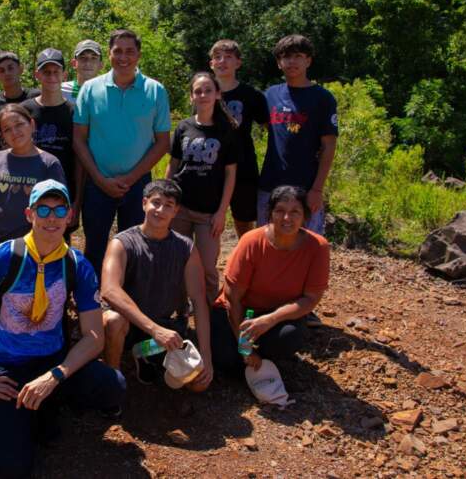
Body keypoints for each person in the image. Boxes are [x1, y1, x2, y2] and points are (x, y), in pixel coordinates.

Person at [0, 180, 125, 479]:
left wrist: (55, 376)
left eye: (59, 209)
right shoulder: (1, 257)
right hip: (8, 366)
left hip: (52, 361)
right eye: (44, 209)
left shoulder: (77, 264)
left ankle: (48, 403)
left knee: (112, 384)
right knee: (14, 467)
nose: (52, 217)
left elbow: (93, 336)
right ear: (29, 214)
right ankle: (24, 414)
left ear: (69, 217)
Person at [73, 29, 171, 275]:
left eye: (130, 51)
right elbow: (79, 139)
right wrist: (98, 179)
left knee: (135, 245)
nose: (123, 57)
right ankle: (92, 300)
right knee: (94, 246)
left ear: (138, 55)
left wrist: (130, 178)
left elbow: (162, 143)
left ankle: (127, 299)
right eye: (118, 51)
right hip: (97, 184)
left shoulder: (155, 90)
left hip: (138, 184)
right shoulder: (90, 89)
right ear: (109, 54)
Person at [101, 179, 212, 391]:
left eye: (168, 205)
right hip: (131, 324)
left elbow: (198, 300)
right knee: (113, 321)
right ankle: (112, 381)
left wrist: (207, 358)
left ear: (176, 211)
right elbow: (109, 290)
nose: (160, 210)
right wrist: (154, 330)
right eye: (156, 202)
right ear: (144, 203)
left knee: (198, 385)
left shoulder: (186, 248)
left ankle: (144, 355)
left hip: (168, 327)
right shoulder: (122, 242)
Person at [211, 186, 330, 374]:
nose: (286, 218)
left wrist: (270, 320)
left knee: (289, 337)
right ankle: (251, 360)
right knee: (224, 360)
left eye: (295, 212)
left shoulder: (318, 247)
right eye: (280, 211)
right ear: (270, 213)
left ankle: (261, 361)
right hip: (239, 312)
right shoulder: (252, 241)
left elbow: (310, 299)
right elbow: (232, 297)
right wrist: (244, 346)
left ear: (305, 216)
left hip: (276, 315)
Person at [166, 73, 238, 306]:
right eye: (198, 91)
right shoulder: (184, 127)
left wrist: (221, 212)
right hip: (181, 208)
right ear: (191, 97)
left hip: (209, 213)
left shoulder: (226, 130)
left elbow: (230, 174)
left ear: (217, 94)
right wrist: (166, 199)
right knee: (177, 261)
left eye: (208, 90)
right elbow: (173, 165)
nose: (203, 95)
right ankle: (177, 311)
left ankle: (209, 312)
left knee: (208, 266)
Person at [259, 35, 338, 235]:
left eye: (298, 56)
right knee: (268, 246)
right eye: (286, 57)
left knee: (306, 247)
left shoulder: (323, 98)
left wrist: (317, 189)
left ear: (308, 60)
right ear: (279, 63)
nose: (292, 61)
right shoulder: (270, 95)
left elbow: (329, 145)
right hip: (270, 184)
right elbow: (273, 130)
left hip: (306, 187)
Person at [0, 104, 67, 250]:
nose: (14, 132)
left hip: (33, 248)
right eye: (7, 129)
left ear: (32, 125)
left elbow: (58, 208)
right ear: (2, 135)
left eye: (19, 124)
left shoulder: (49, 163)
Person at [209, 39, 270, 238]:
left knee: (243, 217)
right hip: (210, 164)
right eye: (217, 57)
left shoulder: (252, 95)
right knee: (208, 217)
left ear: (238, 63)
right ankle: (209, 264)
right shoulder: (204, 91)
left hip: (243, 164)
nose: (222, 61)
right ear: (211, 64)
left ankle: (246, 256)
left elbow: (271, 129)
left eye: (228, 57)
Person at [22, 48, 84, 241]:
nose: (51, 76)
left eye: (56, 71)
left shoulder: (75, 112)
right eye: (46, 72)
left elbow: (80, 160)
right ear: (37, 74)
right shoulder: (25, 110)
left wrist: (77, 201)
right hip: (27, 191)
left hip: (62, 194)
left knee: (58, 250)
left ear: (64, 74)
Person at [0, 51, 40, 148]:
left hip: (33, 155)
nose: (7, 73)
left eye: (10, 68)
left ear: (20, 69)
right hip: (2, 157)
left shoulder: (36, 97)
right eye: (1, 70)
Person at [61, 39, 103, 104]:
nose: (88, 63)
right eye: (83, 57)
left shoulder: (110, 93)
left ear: (101, 65)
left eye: (93, 58)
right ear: (74, 63)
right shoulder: (60, 91)